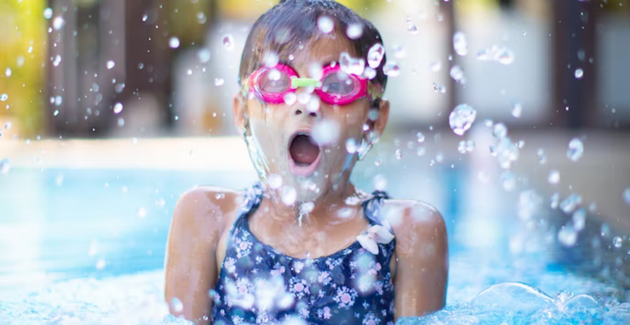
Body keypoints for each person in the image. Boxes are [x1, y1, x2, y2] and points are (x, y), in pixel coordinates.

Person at [165, 0, 448, 324]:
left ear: (373, 119)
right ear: (243, 112)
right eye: (277, 82)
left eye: (338, 85)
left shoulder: (407, 231)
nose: (306, 104)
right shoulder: (208, 218)